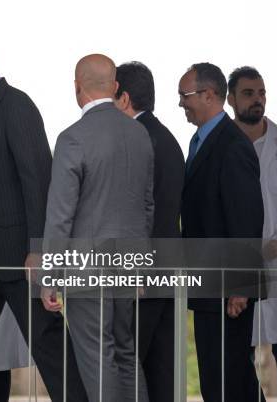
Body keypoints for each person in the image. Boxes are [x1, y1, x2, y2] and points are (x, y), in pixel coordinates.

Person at [0, 27, 88, 402]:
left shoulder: (17, 105)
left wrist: (39, 250)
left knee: (51, 351)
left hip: (21, 260)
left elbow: (37, 182)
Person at [41, 54, 152, 402]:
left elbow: (60, 214)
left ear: (77, 88)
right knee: (126, 351)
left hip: (86, 268)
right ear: (115, 86)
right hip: (129, 263)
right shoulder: (140, 135)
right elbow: (147, 206)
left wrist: (51, 276)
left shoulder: (73, 138)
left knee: (97, 356)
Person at [179, 62, 264, 402]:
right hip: (211, 286)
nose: (181, 103)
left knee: (224, 381)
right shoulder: (201, 141)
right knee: (232, 378)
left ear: (209, 95)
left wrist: (241, 286)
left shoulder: (231, 145)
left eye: (184, 96)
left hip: (228, 290)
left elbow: (246, 217)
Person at [114, 61, 184, 402]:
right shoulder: (166, 138)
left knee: (127, 368)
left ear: (124, 99)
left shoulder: (138, 141)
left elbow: (143, 212)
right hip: (165, 272)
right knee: (161, 372)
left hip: (142, 275)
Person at [227, 66, 277, 387]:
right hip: (235, 267)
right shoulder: (222, 146)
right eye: (248, 93)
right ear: (231, 98)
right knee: (238, 360)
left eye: (261, 93)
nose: (257, 100)